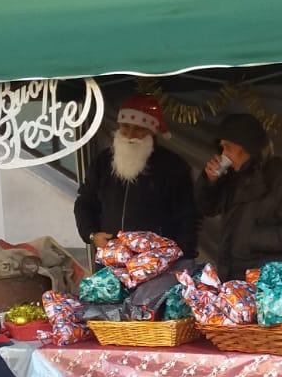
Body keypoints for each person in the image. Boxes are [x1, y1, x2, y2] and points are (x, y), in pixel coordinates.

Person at [197, 112, 282, 281]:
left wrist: (255, 238)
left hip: (270, 280)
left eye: (228, 147)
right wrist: (210, 181)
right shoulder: (232, 176)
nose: (224, 153)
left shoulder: (280, 175)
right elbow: (207, 208)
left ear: (246, 146)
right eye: (222, 147)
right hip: (234, 276)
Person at [74, 95, 198, 258]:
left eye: (139, 128)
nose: (130, 134)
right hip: (111, 256)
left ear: (151, 131)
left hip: (156, 260)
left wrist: (183, 256)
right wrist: (91, 234)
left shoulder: (172, 165)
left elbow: (187, 216)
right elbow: (85, 202)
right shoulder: (103, 162)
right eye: (125, 126)